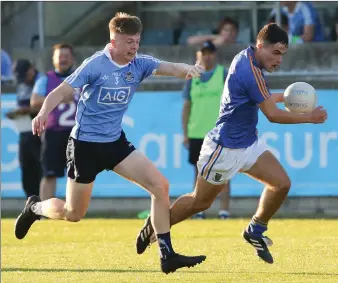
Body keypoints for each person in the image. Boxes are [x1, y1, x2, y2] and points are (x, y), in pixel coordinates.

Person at [14, 12, 206, 274]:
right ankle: (35, 207)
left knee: (160, 186)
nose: (134, 47)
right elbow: (60, 91)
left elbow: (170, 67)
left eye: (137, 41)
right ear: (114, 41)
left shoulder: (139, 63)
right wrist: (42, 113)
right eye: (129, 42)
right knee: (73, 213)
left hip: (115, 142)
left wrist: (190, 69)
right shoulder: (95, 65)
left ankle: (166, 254)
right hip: (85, 147)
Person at [135, 23, 328, 264]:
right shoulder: (251, 71)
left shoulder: (249, 60)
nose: (279, 60)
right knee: (200, 202)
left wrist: (288, 99)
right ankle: (155, 224)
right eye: (276, 52)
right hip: (223, 148)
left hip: (247, 144)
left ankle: (255, 230)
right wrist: (310, 117)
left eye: (283, 55)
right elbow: (273, 115)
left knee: (281, 184)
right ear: (260, 46)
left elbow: (265, 98)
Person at [182, 41, 231, 220]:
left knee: (223, 172)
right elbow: (186, 106)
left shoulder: (223, 74)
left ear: (215, 54)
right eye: (204, 52)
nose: (207, 56)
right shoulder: (192, 77)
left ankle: (224, 211)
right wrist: (185, 133)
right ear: (198, 55)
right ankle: (198, 210)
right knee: (199, 172)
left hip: (219, 132)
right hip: (197, 131)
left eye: (210, 52)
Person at [30, 43, 80, 201]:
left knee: (77, 174)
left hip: (77, 133)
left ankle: (74, 209)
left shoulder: (82, 77)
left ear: (72, 58)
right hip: (53, 133)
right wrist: (57, 99)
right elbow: (34, 101)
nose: (63, 60)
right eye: (60, 56)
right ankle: (44, 209)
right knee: (49, 173)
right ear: (54, 59)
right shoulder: (46, 79)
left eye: (66, 56)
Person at [6, 59, 42, 198]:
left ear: (31, 69)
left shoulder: (41, 81)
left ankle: (43, 204)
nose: (23, 80)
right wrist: (17, 113)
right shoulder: (22, 85)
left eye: (24, 75)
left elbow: (45, 104)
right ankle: (31, 205)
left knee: (40, 170)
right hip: (25, 131)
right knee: (26, 169)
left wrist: (26, 110)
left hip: (40, 132)